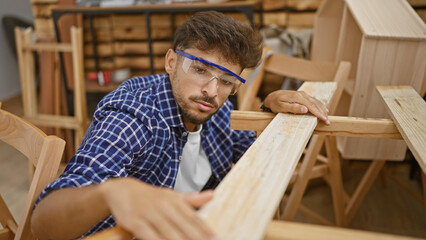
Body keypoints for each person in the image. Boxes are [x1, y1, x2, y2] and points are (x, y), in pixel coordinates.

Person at [31, 11, 329, 240]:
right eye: (199, 69)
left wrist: (269, 105)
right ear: (171, 62)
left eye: (227, 80)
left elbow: (252, 154)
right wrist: (111, 192)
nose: (212, 91)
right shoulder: (134, 113)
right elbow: (44, 223)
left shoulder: (213, 107)